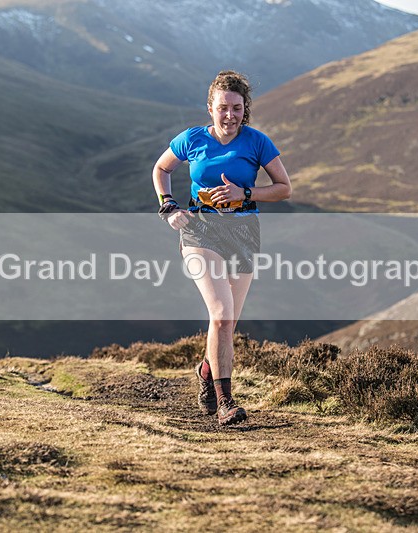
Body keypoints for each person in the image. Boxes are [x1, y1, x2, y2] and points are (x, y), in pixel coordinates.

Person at [152, 70, 292, 426]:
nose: (229, 115)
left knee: (228, 324)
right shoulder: (192, 138)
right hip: (200, 230)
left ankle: (205, 370)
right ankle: (226, 400)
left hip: (244, 231)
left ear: (245, 109)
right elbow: (161, 168)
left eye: (236, 108)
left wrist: (245, 193)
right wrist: (168, 205)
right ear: (210, 108)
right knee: (220, 313)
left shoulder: (257, 142)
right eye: (222, 108)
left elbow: (283, 188)